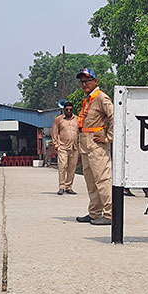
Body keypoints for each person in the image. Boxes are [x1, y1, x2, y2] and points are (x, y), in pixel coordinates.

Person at [74, 68, 113, 226]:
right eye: (82, 82)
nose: (84, 84)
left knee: (103, 180)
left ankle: (110, 215)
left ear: (95, 81)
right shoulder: (88, 99)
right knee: (91, 182)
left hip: (97, 145)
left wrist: (109, 138)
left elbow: (115, 115)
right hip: (86, 144)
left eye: (88, 81)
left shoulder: (101, 97)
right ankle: (95, 213)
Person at [53, 101, 79, 195]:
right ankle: (61, 186)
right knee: (62, 166)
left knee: (72, 168)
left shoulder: (77, 119)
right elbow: (55, 132)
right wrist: (56, 144)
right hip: (63, 147)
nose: (68, 111)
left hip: (74, 147)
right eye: (67, 109)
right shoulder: (59, 120)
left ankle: (69, 187)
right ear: (63, 109)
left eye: (70, 109)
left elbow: (81, 131)